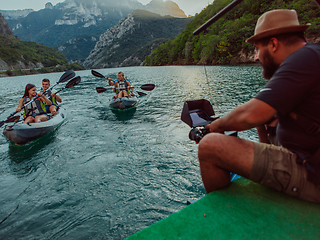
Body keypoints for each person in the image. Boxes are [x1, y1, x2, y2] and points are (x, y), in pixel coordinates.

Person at [197, 9, 320, 203]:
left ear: (273, 44)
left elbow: (250, 114)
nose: (255, 57)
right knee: (270, 114)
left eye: (256, 48)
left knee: (210, 146)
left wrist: (217, 126)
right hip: (309, 154)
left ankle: (223, 218)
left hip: (311, 172)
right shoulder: (312, 54)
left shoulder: (303, 59)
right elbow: (262, 114)